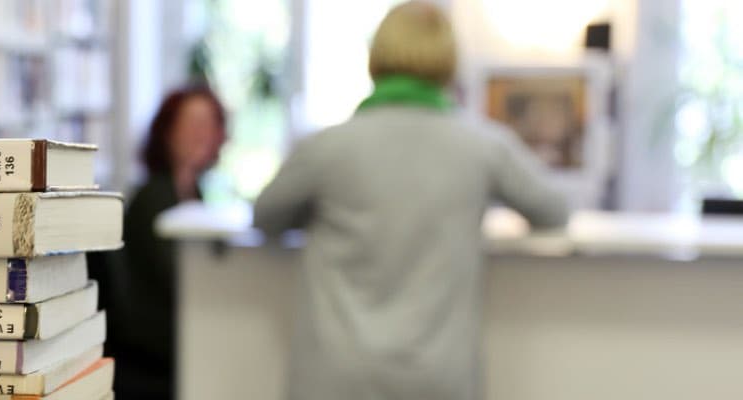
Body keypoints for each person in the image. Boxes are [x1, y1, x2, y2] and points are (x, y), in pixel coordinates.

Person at [252, 2, 569, 400]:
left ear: (376, 59)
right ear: (449, 64)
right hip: (438, 378)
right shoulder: (481, 147)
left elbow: (265, 218)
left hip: (334, 376)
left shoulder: (328, 147)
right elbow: (554, 211)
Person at [91, 86, 226, 399]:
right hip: (150, 344)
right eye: (191, 125)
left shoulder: (193, 193)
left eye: (208, 125)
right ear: (167, 131)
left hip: (172, 335)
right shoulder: (154, 196)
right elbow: (179, 279)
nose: (201, 134)